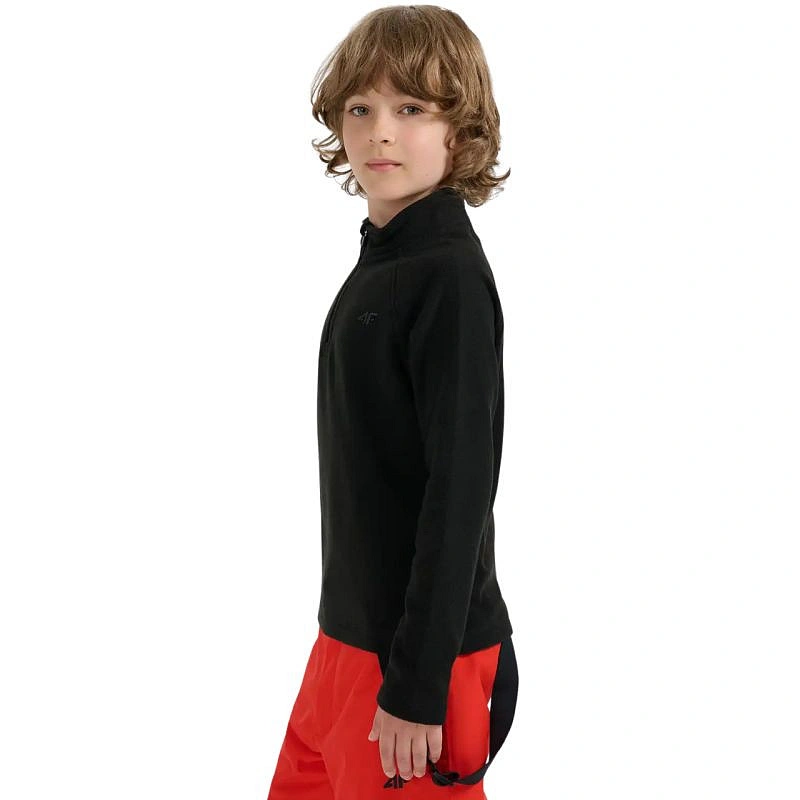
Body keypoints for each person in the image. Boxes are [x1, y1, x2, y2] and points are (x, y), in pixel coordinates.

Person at [267, 6, 518, 799]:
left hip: (410, 662)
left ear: (461, 130)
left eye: (411, 108)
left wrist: (417, 682)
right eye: (360, 107)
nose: (379, 131)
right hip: (346, 640)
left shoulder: (448, 277)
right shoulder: (383, 263)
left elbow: (461, 491)